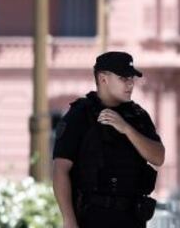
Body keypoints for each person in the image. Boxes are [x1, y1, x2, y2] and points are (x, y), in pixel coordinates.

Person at [52, 51, 165, 228]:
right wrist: (69, 220)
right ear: (103, 78)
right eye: (123, 78)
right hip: (92, 218)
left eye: (131, 79)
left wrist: (127, 129)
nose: (130, 84)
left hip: (132, 218)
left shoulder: (138, 116)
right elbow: (60, 170)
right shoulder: (80, 114)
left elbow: (158, 157)